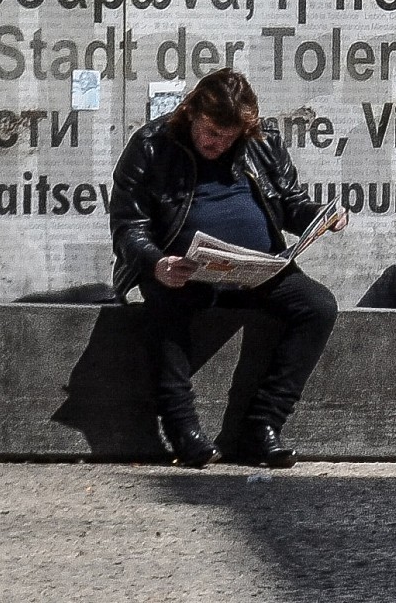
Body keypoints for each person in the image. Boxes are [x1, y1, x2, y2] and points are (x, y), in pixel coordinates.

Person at [109, 70, 343, 470]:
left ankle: (262, 426)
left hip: (255, 267)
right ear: (191, 112)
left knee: (317, 306)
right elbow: (129, 226)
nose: (216, 143)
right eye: (210, 132)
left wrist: (320, 217)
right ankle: (183, 431)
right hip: (182, 269)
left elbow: (290, 202)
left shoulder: (262, 142)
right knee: (165, 305)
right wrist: (156, 263)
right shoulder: (151, 145)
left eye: (227, 137)